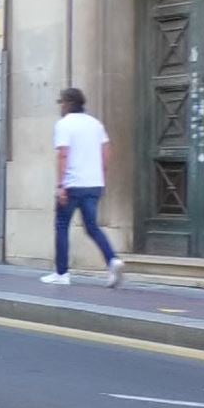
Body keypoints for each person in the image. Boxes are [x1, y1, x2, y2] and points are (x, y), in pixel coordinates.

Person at [43, 87, 125, 287]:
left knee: (62, 226)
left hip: (72, 185)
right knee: (92, 227)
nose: (60, 106)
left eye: (61, 102)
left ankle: (62, 274)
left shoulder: (64, 124)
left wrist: (61, 186)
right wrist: (102, 178)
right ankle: (113, 259)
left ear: (69, 103)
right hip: (93, 184)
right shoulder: (96, 124)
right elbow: (106, 153)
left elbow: (63, 154)